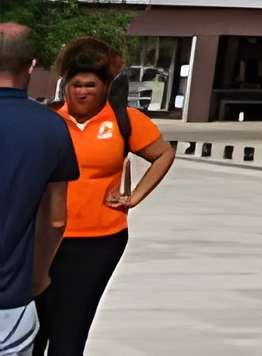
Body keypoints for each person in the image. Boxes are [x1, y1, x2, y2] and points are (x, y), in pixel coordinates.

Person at [36, 37, 168, 356]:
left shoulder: (124, 120)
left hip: (99, 240)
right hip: (43, 238)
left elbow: (163, 154)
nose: (82, 92)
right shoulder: (47, 119)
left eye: (90, 85)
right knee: (34, 329)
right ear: (65, 86)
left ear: (106, 87)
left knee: (71, 330)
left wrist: (135, 196)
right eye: (76, 85)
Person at [0, 25, 79, 356]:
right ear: (32, 65)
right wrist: (38, 277)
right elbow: (56, 220)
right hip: (10, 300)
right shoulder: (51, 127)